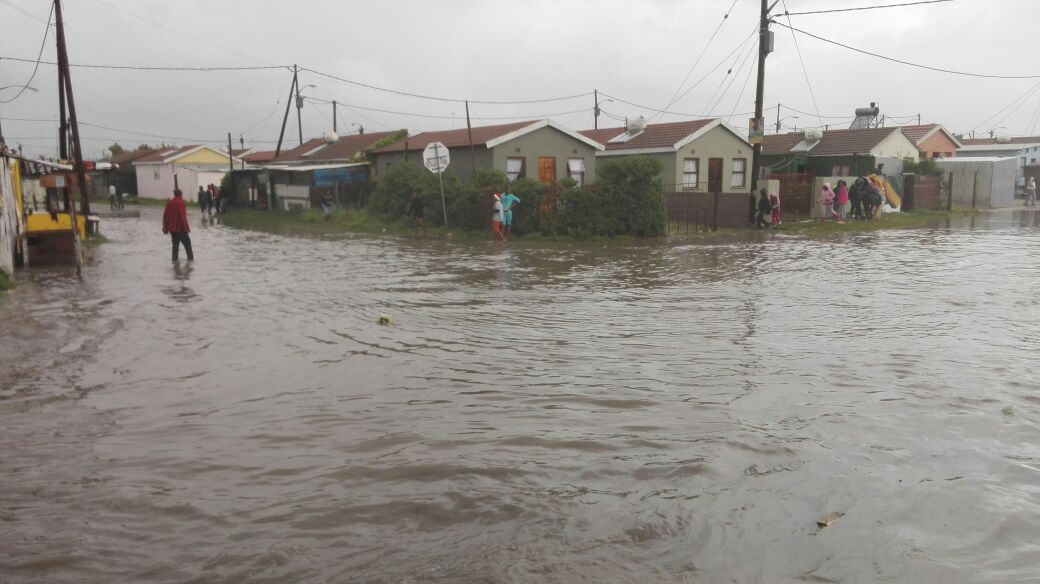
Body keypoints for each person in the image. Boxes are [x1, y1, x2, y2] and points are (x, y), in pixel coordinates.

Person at [162, 188, 193, 261]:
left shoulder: (169, 203)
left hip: (172, 229)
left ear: (174, 194)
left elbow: (165, 216)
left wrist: (165, 228)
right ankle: (190, 262)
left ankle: (174, 262)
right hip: (180, 229)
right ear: (181, 194)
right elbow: (182, 217)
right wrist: (186, 228)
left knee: (175, 246)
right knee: (188, 245)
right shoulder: (181, 203)